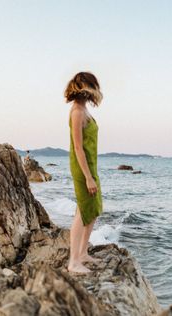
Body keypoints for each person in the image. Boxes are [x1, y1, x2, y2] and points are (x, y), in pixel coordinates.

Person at [65, 72, 103, 274]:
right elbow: (78, 148)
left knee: (93, 209)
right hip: (82, 168)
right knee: (82, 211)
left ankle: (82, 253)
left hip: (91, 165)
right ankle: (73, 262)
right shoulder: (77, 112)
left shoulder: (85, 110)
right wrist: (88, 177)